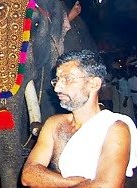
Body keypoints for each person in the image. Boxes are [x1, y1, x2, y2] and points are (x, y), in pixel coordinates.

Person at [21, 49, 137, 186]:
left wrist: (48, 182)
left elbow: (107, 185)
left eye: (68, 79)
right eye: (57, 80)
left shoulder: (115, 128)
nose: (57, 88)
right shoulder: (54, 124)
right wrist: (71, 183)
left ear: (94, 84)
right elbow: (28, 175)